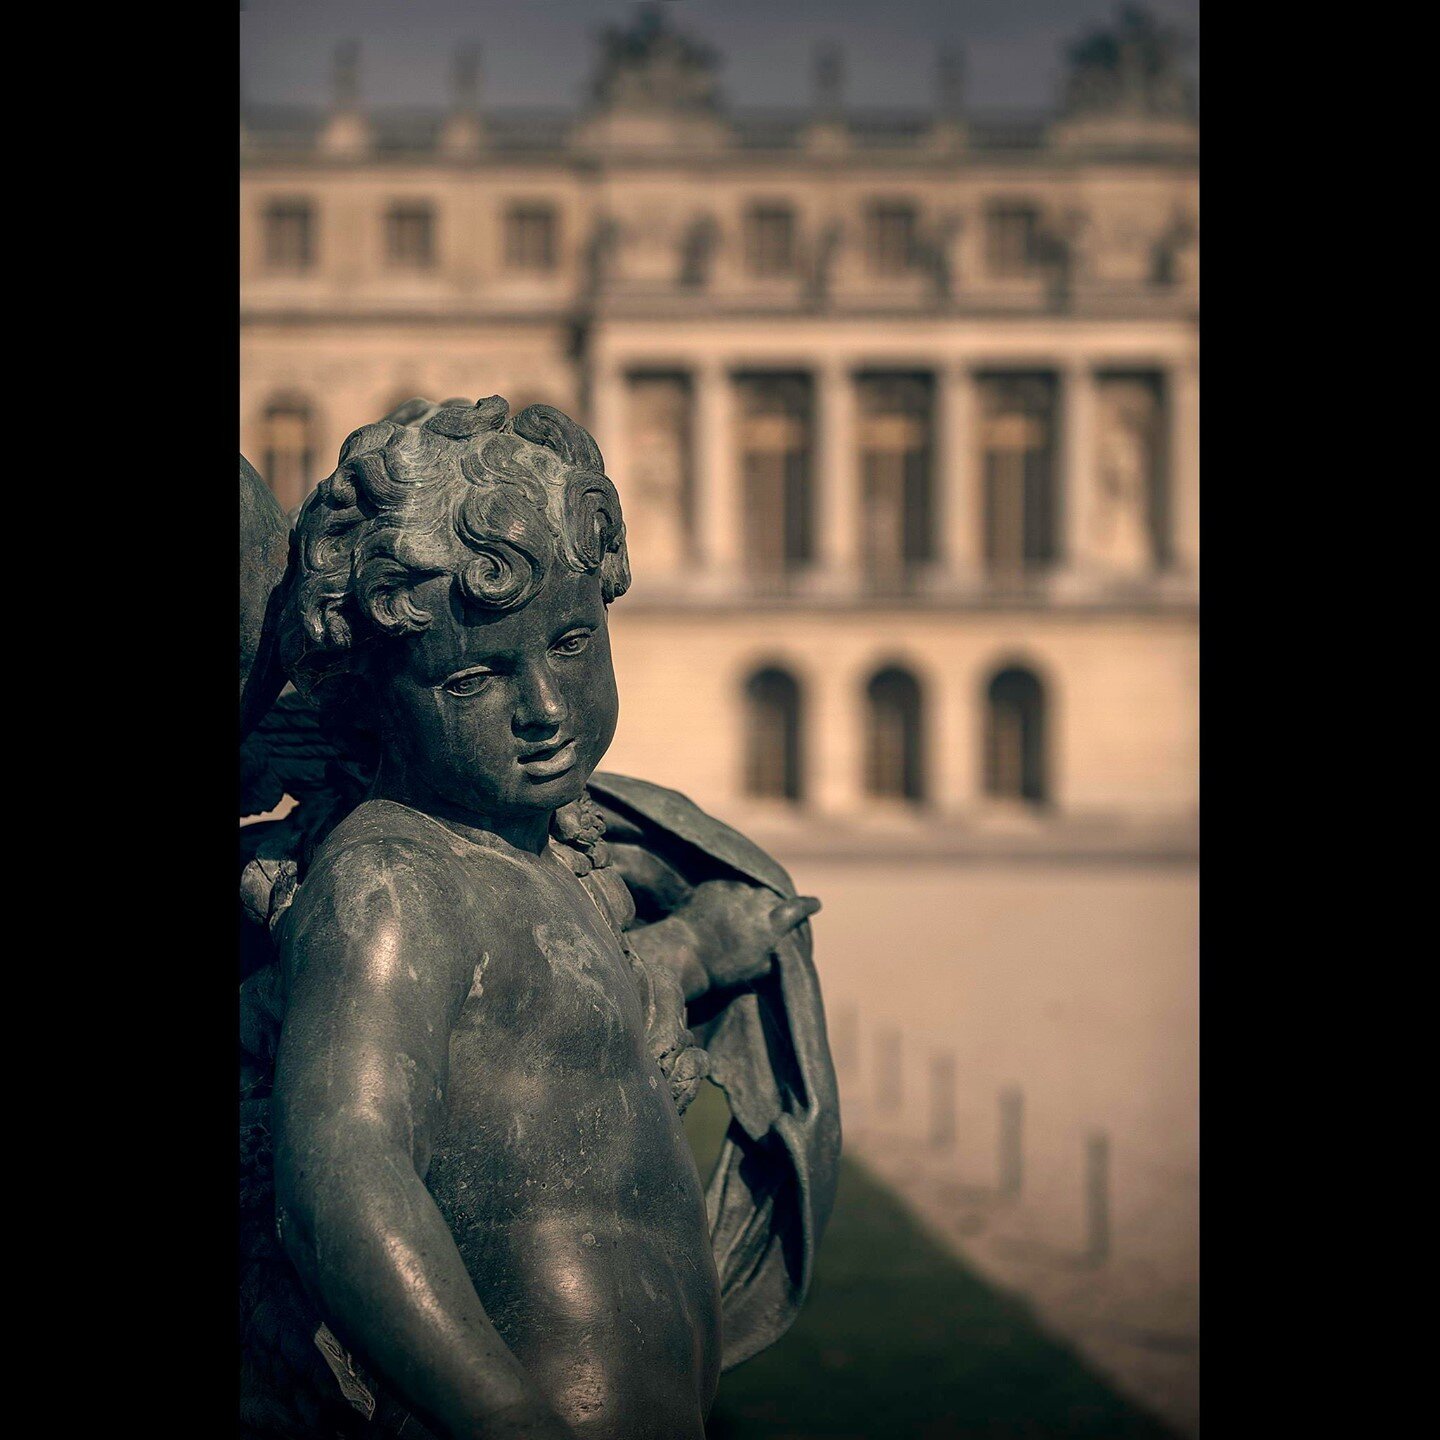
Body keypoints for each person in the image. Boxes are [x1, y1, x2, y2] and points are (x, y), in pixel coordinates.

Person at [244, 396, 822, 1439]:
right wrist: (504, 1416)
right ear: (373, 695)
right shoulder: (389, 884)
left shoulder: (538, 860)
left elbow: (554, 1028)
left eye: (571, 643)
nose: (547, 706)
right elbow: (341, 1177)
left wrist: (695, 947)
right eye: (476, 674)